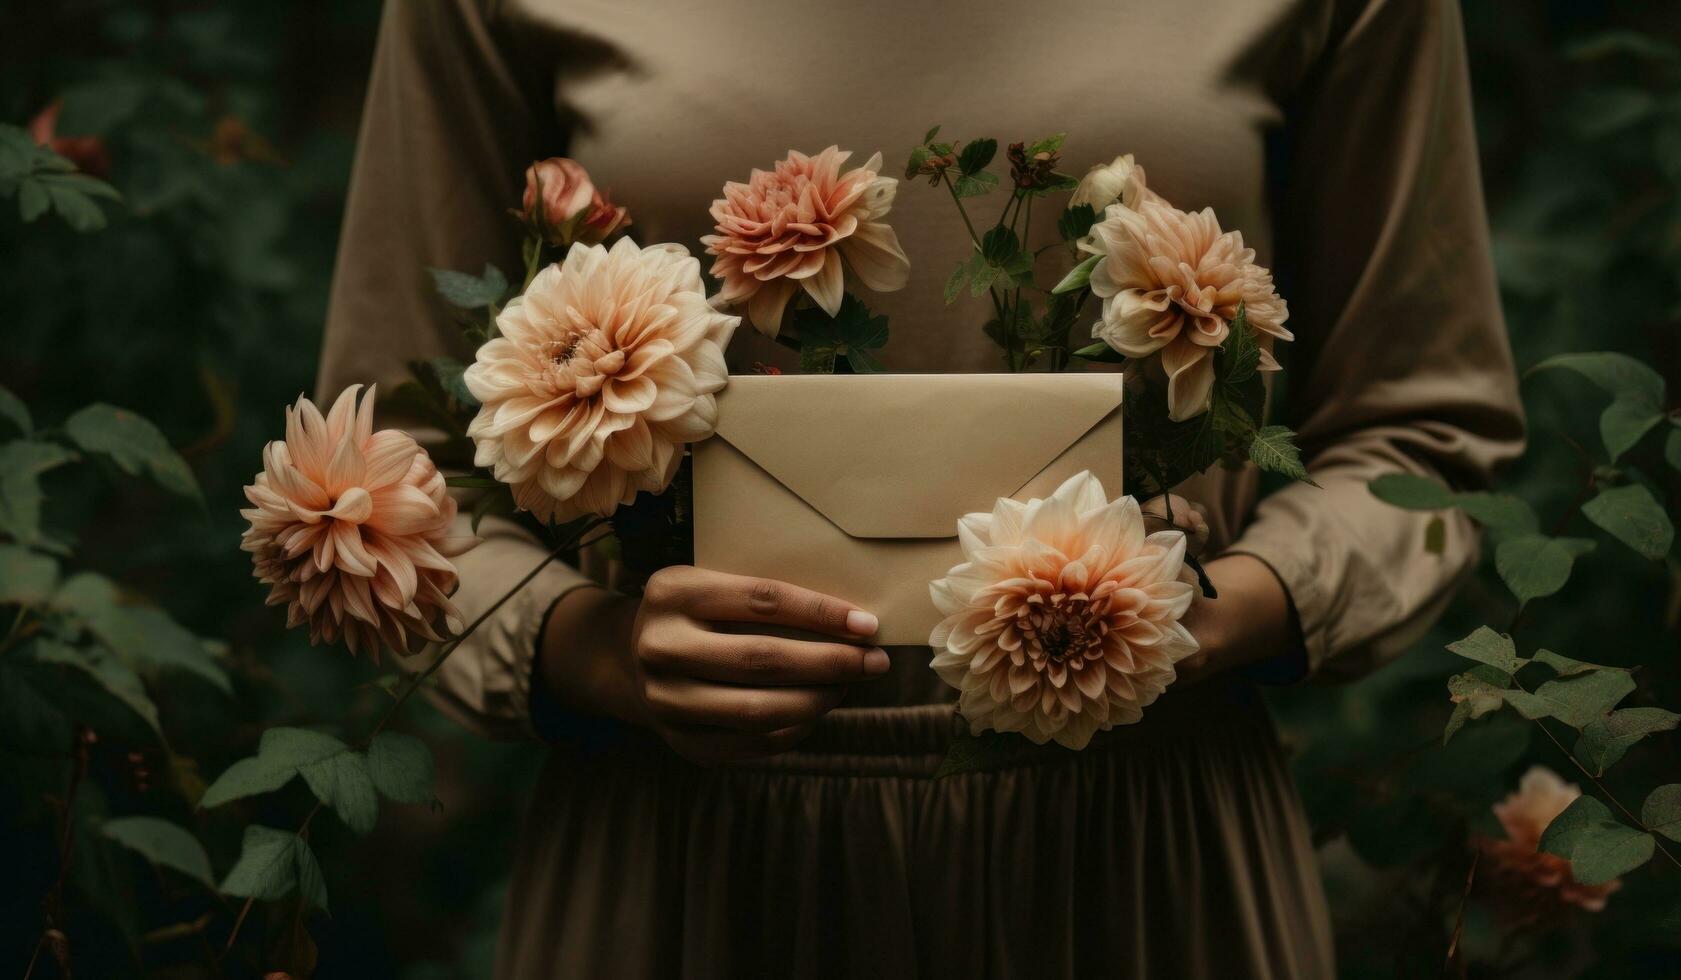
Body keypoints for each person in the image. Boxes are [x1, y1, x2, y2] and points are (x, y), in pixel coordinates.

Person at [318, 0, 1524, 976]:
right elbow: (386, 474)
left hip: (1140, 845)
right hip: (689, 848)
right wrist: (588, 649)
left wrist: (1211, 613)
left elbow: (1425, 432)